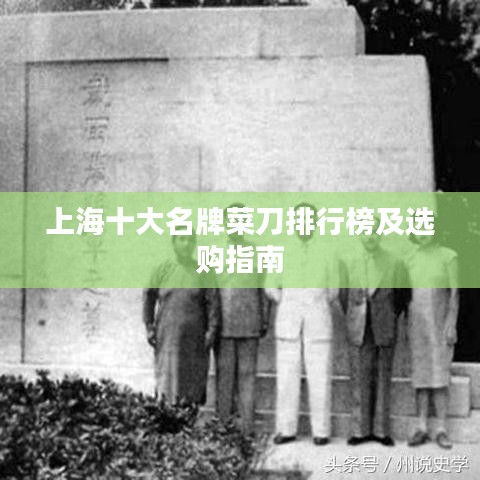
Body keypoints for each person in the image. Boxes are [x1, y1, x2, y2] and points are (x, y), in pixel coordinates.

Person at [266, 202, 339, 446]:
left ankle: (321, 431)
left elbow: (334, 290)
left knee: (320, 377)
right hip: (288, 321)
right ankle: (286, 429)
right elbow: (270, 285)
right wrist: (288, 301)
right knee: (287, 377)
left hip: (318, 321)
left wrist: (313, 303)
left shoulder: (327, 251)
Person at [339, 219, 411, 447]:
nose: (370, 237)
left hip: (384, 324)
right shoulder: (348, 261)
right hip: (359, 325)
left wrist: (388, 313)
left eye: (374, 232)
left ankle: (381, 431)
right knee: (359, 377)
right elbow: (343, 295)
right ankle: (359, 430)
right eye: (365, 232)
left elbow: (403, 295)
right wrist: (356, 314)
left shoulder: (394, 262)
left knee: (383, 376)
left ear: (380, 234)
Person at [143, 234, 221, 406]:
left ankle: (188, 419)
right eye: (182, 239)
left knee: (192, 383)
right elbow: (148, 296)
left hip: (195, 338)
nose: (186, 244)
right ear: (174, 243)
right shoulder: (162, 269)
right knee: (167, 381)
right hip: (167, 336)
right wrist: (149, 326)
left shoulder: (204, 271)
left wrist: (211, 331)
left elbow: (213, 303)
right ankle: (167, 417)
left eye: (190, 240)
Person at [406, 233, 459, 449]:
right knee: (421, 376)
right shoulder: (410, 258)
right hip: (417, 324)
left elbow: (455, 292)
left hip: (439, 322)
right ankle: (421, 427)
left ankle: (441, 429)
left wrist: (451, 322)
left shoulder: (448, 256)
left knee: (439, 376)